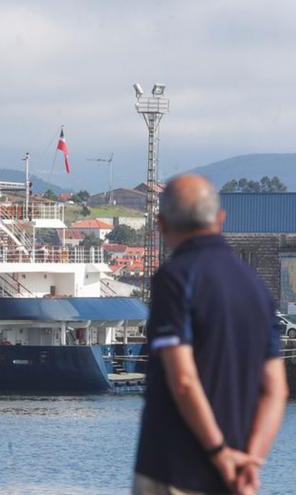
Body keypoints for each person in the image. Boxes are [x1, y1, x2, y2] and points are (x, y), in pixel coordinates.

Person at [133, 174, 288, 495]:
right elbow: (276, 389)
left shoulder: (174, 280)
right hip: (234, 478)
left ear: (161, 225)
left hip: (173, 471)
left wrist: (219, 453)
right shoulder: (255, 286)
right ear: (221, 219)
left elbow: (184, 380)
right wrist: (250, 462)